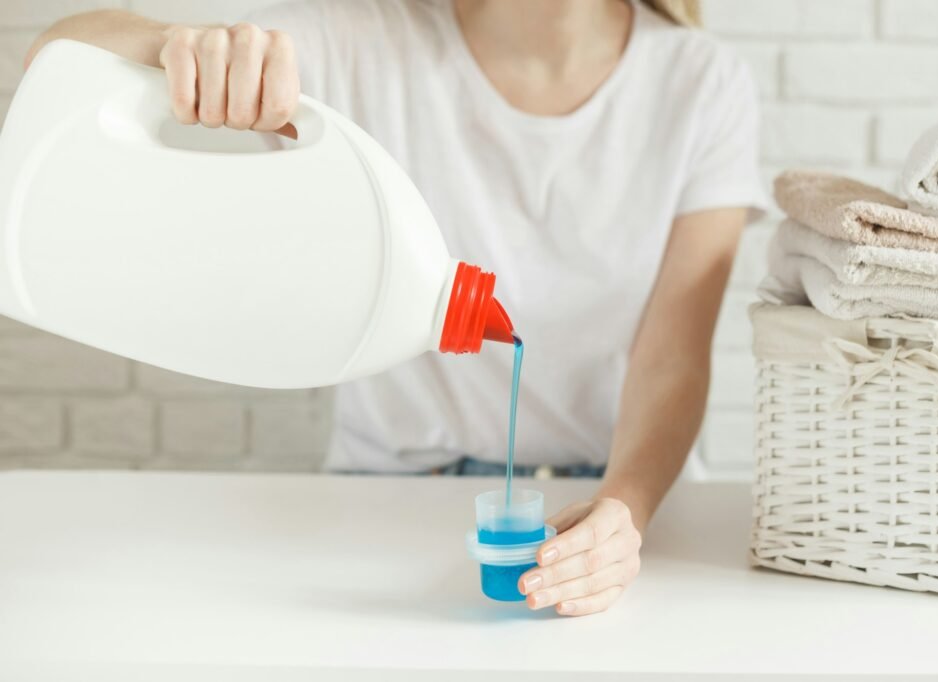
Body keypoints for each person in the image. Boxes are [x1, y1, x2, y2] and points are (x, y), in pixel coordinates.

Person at [29, 0, 766, 617]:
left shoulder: (700, 83)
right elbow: (54, 56)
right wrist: (179, 50)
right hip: (381, 504)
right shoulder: (360, 46)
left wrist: (624, 511)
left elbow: (673, 355)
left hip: (617, 508)